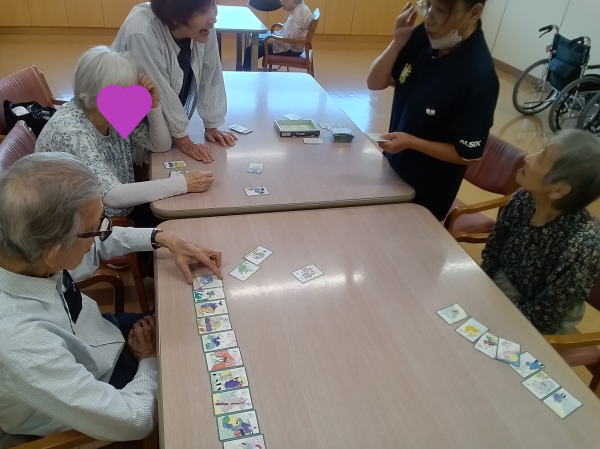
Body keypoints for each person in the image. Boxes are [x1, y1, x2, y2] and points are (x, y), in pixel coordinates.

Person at [0, 152, 223, 440]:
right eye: (95, 228)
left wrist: (163, 238)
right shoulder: (22, 341)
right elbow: (135, 419)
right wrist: (149, 359)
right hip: (103, 386)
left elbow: (95, 245)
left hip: (100, 335)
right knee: (201, 387)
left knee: (192, 322)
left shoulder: (28, 251)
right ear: (54, 254)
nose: (103, 232)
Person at [35, 46, 214, 227]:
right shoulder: (72, 132)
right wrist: (183, 183)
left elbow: (160, 145)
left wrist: (153, 105)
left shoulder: (108, 113)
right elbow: (112, 196)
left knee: (190, 212)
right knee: (187, 221)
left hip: (123, 207)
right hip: (88, 226)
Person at [367, 1, 499, 221]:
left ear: (474, 13)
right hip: (392, 173)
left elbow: (466, 155)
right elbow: (375, 82)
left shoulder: (479, 78)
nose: (429, 18)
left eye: (440, 11)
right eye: (427, 6)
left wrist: (412, 142)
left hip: (425, 195)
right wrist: (397, 42)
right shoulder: (425, 35)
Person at [482, 130, 600, 335]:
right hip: (502, 284)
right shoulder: (524, 196)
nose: (528, 157)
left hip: (538, 319)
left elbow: (547, 317)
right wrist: (482, 286)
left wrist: (495, 312)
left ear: (559, 190)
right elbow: (494, 248)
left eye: (541, 157)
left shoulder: (582, 242)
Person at [112, 0, 237, 164]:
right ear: (176, 17)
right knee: (139, 162)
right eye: (203, 11)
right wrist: (183, 139)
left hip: (159, 117)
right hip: (126, 116)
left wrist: (211, 124)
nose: (213, 17)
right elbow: (160, 89)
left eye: (213, 4)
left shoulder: (204, 27)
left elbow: (211, 71)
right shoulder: (142, 30)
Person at [242, 0, 313, 72]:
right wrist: (271, 38)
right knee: (254, 44)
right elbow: (289, 34)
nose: (280, 1)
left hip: (291, 50)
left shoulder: (298, 15)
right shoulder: (300, 9)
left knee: (250, 50)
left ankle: (247, 75)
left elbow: (288, 42)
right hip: (292, 46)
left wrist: (271, 40)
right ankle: (250, 71)